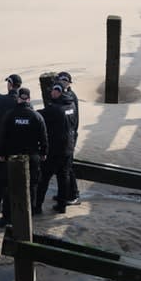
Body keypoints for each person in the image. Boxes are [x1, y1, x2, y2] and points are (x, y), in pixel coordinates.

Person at [0, 88, 48, 227]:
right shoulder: (36, 116)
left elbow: (2, 137)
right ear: (29, 99)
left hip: (13, 157)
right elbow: (44, 138)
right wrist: (43, 153)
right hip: (31, 157)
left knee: (9, 187)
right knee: (31, 186)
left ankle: (7, 217)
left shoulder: (10, 115)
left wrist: (1, 154)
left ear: (18, 99)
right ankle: (28, 216)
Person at [36, 82, 77, 214]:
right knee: (63, 177)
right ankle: (62, 205)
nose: (52, 92)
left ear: (61, 92)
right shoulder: (72, 105)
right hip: (68, 147)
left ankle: (37, 206)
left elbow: (38, 115)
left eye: (55, 90)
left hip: (55, 149)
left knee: (44, 178)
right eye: (52, 90)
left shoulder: (55, 109)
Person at [0, 72, 21, 211]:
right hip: (17, 143)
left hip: (0, 142)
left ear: (10, 85)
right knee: (15, 173)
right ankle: (13, 202)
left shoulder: (3, 100)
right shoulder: (23, 102)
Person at [56, 71, 80, 205]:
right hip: (64, 136)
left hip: (70, 136)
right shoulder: (62, 95)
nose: (62, 82)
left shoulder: (70, 97)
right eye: (60, 80)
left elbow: (74, 120)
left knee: (68, 167)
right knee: (62, 167)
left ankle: (73, 194)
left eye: (65, 80)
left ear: (69, 83)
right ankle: (64, 194)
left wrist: (72, 136)